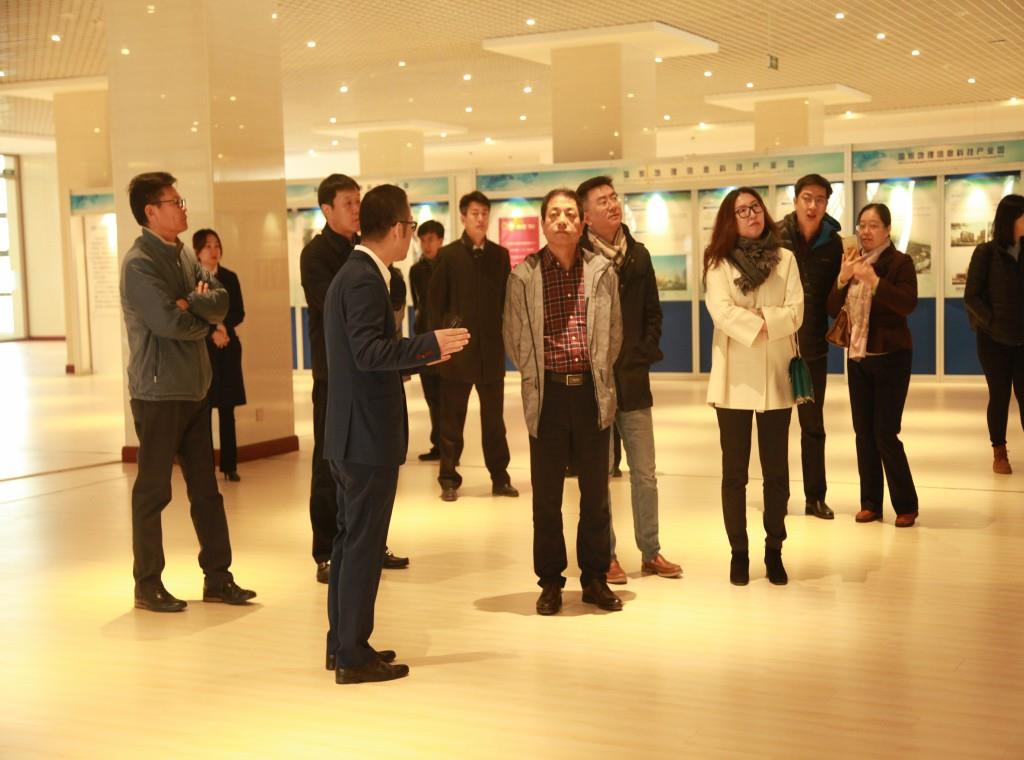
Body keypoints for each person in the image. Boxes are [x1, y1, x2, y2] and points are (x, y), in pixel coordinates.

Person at [322, 184, 469, 683]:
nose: (410, 233)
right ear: (396, 229)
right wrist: (427, 346)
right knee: (362, 547)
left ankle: (343, 644)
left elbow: (362, 356)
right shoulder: (364, 279)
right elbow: (369, 354)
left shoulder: (357, 274)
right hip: (365, 436)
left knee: (350, 543)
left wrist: (423, 352)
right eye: (410, 224)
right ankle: (353, 655)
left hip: (351, 433)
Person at [119, 172, 256, 612]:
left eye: (181, 201)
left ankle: (218, 578)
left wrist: (190, 302)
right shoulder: (139, 264)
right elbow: (168, 322)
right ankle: (147, 584)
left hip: (196, 388)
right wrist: (201, 316)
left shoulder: (182, 255)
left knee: (206, 492)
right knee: (153, 492)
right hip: (158, 394)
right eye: (174, 202)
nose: (182, 208)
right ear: (150, 211)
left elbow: (221, 302)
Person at [503, 188, 623, 615]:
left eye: (570, 214)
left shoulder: (602, 271)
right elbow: (514, 337)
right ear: (543, 223)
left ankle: (594, 578)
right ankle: (551, 582)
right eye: (554, 214)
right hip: (548, 396)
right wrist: (538, 375)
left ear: (582, 221)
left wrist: (597, 372)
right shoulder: (524, 276)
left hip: (591, 393)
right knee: (547, 497)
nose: (562, 221)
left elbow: (614, 334)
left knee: (596, 495)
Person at [300, 174, 407, 583]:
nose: (356, 209)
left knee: (370, 467)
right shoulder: (319, 256)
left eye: (358, 201)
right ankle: (327, 551)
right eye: (347, 203)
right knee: (332, 465)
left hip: (372, 375)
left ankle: (369, 543)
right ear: (326, 209)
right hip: (336, 376)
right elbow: (338, 308)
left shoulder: (366, 251)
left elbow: (395, 295)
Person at [576, 175, 681, 584]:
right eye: (602, 201)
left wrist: (642, 352)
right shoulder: (579, 260)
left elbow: (653, 312)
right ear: (587, 216)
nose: (612, 204)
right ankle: (607, 556)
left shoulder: (638, 255)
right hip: (594, 384)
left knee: (645, 472)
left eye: (613, 197)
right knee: (599, 475)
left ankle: (651, 552)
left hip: (634, 380)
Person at [704, 187, 803, 586]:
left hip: (777, 376)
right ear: (729, 220)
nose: (751, 214)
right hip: (734, 380)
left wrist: (762, 318)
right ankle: (739, 553)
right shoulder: (718, 263)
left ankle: (774, 549)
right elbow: (721, 312)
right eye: (741, 210)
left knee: (776, 473)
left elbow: (796, 311)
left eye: (755, 207)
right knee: (734, 473)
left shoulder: (786, 259)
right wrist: (765, 320)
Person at [827, 203, 920, 527]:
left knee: (885, 432)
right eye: (862, 225)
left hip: (892, 356)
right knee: (863, 433)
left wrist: (874, 281)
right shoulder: (853, 260)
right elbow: (831, 308)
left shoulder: (900, 262)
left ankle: (906, 505)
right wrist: (842, 278)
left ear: (887, 230)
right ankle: (870, 503)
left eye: (873, 225)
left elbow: (907, 304)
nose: (865, 231)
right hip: (858, 357)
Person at [428, 191, 518, 502]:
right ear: (463, 217)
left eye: (484, 213)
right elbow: (435, 305)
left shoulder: (500, 256)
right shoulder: (448, 256)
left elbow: (507, 302)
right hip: (457, 353)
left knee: (494, 423)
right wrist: (440, 345)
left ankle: (500, 478)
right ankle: (448, 479)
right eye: (474, 213)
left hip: (490, 352)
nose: (480, 219)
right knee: (452, 422)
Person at [778, 174, 844, 519]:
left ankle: (815, 497)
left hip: (813, 348)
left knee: (813, 426)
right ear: (795, 200)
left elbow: (833, 305)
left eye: (820, 199)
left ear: (826, 204)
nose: (813, 205)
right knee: (774, 427)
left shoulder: (834, 244)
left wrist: (844, 280)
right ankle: (777, 497)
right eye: (807, 197)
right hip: (775, 346)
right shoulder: (775, 237)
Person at [964, 194, 1024, 474]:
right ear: (1010, 220)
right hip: (993, 341)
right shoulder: (985, 253)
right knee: (999, 396)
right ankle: (999, 452)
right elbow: (972, 296)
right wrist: (992, 322)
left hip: (1022, 340)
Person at [193, 229, 246, 482]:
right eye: (208, 246)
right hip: (204, 348)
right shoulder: (192, 279)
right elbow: (193, 314)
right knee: (203, 410)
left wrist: (223, 327)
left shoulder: (229, 278)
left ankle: (229, 465)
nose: (214, 250)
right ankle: (204, 466)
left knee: (227, 408)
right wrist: (212, 330)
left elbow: (238, 312)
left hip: (228, 346)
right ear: (197, 252)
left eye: (216, 245)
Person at [410, 220, 445, 461]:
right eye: (422, 240)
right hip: (425, 339)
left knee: (447, 398)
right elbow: (418, 305)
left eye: (430, 239)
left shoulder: (448, 265)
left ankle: (449, 447)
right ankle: (438, 445)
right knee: (431, 396)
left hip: (445, 338)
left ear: (440, 240)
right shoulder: (416, 271)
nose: (426, 245)